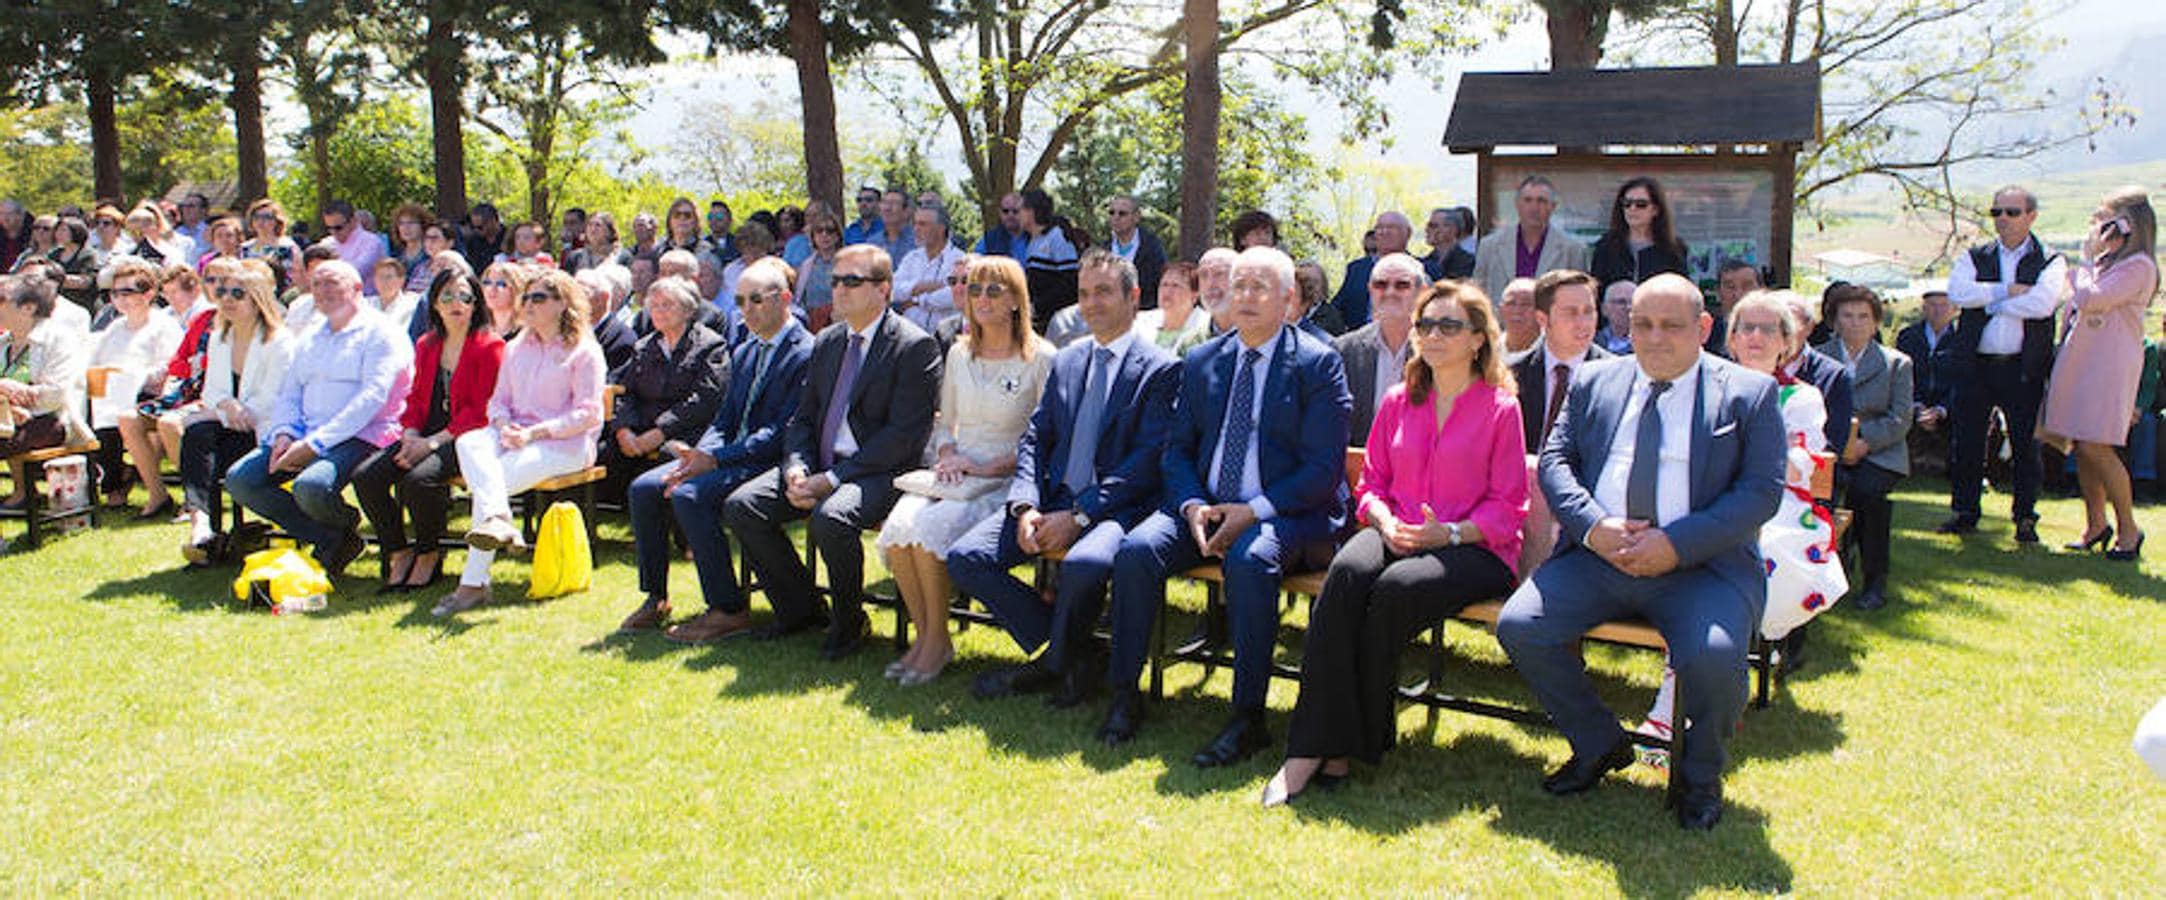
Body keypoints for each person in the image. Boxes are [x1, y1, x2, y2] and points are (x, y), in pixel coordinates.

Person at [1494, 273, 1786, 832]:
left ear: (1704, 327)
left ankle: (1699, 776)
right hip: (1598, 557)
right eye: (1642, 324)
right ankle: (1599, 743)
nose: (1653, 338)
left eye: (1671, 326)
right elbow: (1556, 463)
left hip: (1702, 569)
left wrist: (1675, 544)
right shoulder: (1597, 381)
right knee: (1521, 626)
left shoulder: (1748, 394)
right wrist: (1594, 526)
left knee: (1716, 657)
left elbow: (1759, 493)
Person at [1263, 279, 1528, 806]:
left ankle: (1354, 741)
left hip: (1473, 548)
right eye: (1425, 324)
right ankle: (1311, 749)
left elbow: (1508, 505)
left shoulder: (1500, 408)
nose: (1433, 334)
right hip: (1396, 527)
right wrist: (1384, 523)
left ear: (1478, 338)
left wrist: (1447, 533)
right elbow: (1372, 484)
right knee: (1346, 576)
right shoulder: (1399, 400)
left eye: (1449, 325)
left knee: (1393, 591)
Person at [1100, 246, 1351, 765]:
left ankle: (1247, 716)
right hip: (1203, 509)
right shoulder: (1202, 361)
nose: (1246, 297)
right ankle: (1125, 693)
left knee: (1250, 560)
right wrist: (1192, 505)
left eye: (1260, 287)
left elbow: (1322, 471)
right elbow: (1178, 450)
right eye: (1239, 286)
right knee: (1135, 550)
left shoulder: (1317, 364)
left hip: (1284, 512)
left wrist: (1253, 511)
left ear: (1287, 300)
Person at [948, 248, 1180, 704]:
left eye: (1104, 292)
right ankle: (1079, 653)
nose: (1091, 303)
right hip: (1050, 499)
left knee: (1084, 564)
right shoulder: (1069, 361)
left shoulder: (1161, 369)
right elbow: (1036, 437)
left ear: (1134, 297)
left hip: (1115, 509)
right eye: (1084, 293)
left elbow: (1146, 463)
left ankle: (1056, 663)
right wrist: (1026, 504)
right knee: (966, 557)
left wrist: (1079, 516)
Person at [1638, 289, 1849, 741]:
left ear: (1786, 342)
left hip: (1775, 513)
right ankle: (1712, 688)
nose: (1755, 337)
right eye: (1745, 328)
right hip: (1705, 503)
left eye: (1767, 329)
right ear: (1730, 339)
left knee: (1729, 561)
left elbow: (1793, 466)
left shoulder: (1800, 398)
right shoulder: (1700, 386)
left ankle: (1675, 706)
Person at [723, 245, 942, 659]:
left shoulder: (914, 346)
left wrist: (834, 479)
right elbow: (803, 419)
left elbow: (903, 437)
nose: (839, 289)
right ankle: (801, 609)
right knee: (742, 506)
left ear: (884, 289)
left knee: (831, 518)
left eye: (852, 281)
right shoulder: (827, 341)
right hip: (821, 464)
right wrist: (797, 466)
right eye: (836, 280)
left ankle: (849, 621)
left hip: (882, 471)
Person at [876, 256, 1054, 684]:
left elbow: (1047, 437)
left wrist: (992, 464)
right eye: (974, 290)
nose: (982, 299)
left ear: (1016, 299)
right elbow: (945, 423)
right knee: (900, 527)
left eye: (994, 290)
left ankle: (935, 644)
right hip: (956, 472)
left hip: (1005, 476)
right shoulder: (959, 353)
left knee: (930, 530)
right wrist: (949, 455)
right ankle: (929, 636)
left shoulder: (1041, 357)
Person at [619, 264, 815, 639]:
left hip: (768, 460)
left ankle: (727, 608)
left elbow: (782, 431)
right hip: (726, 454)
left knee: (691, 495)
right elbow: (724, 418)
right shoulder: (744, 349)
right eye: (740, 301)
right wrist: (698, 456)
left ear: (785, 299)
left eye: (756, 299)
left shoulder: (805, 352)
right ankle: (655, 597)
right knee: (645, 488)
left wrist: (714, 460)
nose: (746, 309)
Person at [434, 270, 606, 616]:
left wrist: (533, 434)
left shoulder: (584, 351)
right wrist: (503, 424)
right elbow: (498, 402)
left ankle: (473, 584)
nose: (527, 304)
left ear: (562, 304)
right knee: (469, 442)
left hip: (564, 444)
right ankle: (499, 519)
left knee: (494, 478)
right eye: (525, 297)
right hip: (513, 434)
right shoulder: (515, 347)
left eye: (538, 298)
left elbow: (588, 414)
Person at [225, 261, 414, 575]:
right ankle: (332, 537)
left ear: (357, 288)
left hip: (364, 434)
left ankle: (340, 526)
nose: (323, 291)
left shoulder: (382, 334)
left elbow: (371, 400)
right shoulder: (311, 335)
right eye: (316, 284)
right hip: (304, 431)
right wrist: (284, 434)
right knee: (241, 480)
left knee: (311, 487)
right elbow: (289, 393)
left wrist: (314, 445)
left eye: (332, 283)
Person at [350, 271, 505, 591]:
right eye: (447, 296)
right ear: (434, 303)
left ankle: (428, 553)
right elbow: (417, 398)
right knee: (367, 476)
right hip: (425, 434)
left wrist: (432, 444)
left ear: (476, 304)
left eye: (464, 296)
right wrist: (410, 435)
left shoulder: (490, 346)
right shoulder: (427, 343)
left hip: (467, 437)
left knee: (419, 480)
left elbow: (481, 411)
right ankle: (398, 550)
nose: (456, 304)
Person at [2040, 186, 2158, 561]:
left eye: (2105, 221)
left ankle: (2129, 529)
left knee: (2098, 445)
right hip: (2081, 361)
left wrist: (2087, 263)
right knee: (2082, 444)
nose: (2098, 229)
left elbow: (2092, 298)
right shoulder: (2107, 265)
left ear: (2126, 226)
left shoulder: (2139, 267)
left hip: (2108, 366)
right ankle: (2095, 524)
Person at [1942, 185, 2065, 543]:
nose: (2003, 220)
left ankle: (2025, 517)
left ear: (2031, 216)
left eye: (2012, 212)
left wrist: (1989, 299)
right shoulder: (1975, 255)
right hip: (1976, 364)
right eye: (1997, 212)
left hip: (2022, 366)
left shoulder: (2050, 259)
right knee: (1967, 441)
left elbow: (2042, 304)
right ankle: (1965, 511)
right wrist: (2007, 292)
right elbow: (1958, 294)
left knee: (2026, 444)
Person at [177, 260, 295, 564]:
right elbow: (213, 393)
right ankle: (202, 525)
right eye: (222, 291)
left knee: (202, 437)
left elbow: (271, 401)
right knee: (197, 434)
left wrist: (224, 411)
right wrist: (227, 406)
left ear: (257, 299)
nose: (226, 299)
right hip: (231, 426)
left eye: (237, 293)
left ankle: (209, 534)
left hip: (266, 434)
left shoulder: (280, 342)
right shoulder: (220, 338)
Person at [1816, 284, 1914, 608]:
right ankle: (1821, 573)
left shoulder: (1897, 364)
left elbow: (1900, 418)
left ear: (1875, 323)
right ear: (1834, 320)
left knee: (1867, 494)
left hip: (1879, 452)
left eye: (1863, 316)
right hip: (1827, 449)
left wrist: (1864, 443)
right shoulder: (1817, 359)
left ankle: (1874, 582)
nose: (1855, 323)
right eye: (1848, 315)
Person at [599, 276, 727, 503]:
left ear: (688, 310)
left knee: (670, 454)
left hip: (687, 429)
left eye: (667, 305)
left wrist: (659, 433)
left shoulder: (710, 346)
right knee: (605, 451)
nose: (658, 311)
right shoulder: (644, 346)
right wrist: (624, 430)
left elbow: (704, 400)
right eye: (654, 306)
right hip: (643, 426)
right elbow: (626, 392)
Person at [85, 259, 182, 515]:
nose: (120, 299)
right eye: (115, 293)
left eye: (127, 292)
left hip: (152, 393)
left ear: (148, 294)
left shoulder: (163, 326)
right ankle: (113, 482)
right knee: (94, 407)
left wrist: (133, 376)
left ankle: (141, 485)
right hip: (113, 390)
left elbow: (170, 368)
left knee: (121, 409)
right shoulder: (115, 328)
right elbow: (96, 361)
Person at [0, 271, 92, 506]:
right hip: (8, 421)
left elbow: (56, 394)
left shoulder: (59, 339)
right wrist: (9, 399)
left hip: (51, 421)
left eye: (1, 299)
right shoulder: (4, 342)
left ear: (28, 307)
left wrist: (16, 400)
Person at [1508, 270, 1612, 453]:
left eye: (1588, 311)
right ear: (1542, 319)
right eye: (1571, 313)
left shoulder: (1615, 377)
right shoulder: (1513, 374)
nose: (1583, 323)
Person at [1335, 252, 1423, 446]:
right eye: (1380, 285)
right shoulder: (1344, 350)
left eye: (1402, 285)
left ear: (1421, 291)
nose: (1390, 292)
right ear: (1370, 290)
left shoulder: (1437, 350)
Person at [1473, 175, 1590, 302]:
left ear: (1553, 206)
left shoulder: (1572, 250)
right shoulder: (1490, 246)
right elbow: (1478, 293)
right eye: (1528, 200)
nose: (1534, 208)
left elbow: (1579, 297)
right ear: (1517, 204)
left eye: (1541, 201)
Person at [1589, 177, 1690, 297]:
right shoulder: (1606, 246)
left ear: (1655, 210)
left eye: (1641, 204)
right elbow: (1596, 291)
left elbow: (1682, 292)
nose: (1632, 209)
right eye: (1627, 203)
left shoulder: (1673, 249)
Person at [1896, 289, 1958, 476]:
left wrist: (1941, 409)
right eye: (1932, 305)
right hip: (1914, 400)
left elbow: (1963, 379)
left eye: (1943, 305)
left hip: (1949, 403)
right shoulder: (1908, 336)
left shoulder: (1962, 339)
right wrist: (1917, 405)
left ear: (1954, 309)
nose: (1938, 310)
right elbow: (1902, 377)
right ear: (1924, 309)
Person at [890, 206, 967, 333]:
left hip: (944, 338)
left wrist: (916, 301)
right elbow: (893, 290)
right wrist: (918, 287)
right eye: (914, 224)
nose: (916, 229)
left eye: (923, 224)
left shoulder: (959, 259)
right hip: (909, 336)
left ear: (941, 228)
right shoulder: (911, 258)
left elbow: (952, 296)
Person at [1332, 211, 1413, 330]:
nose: (1384, 232)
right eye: (1379, 228)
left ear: (1408, 233)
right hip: (1361, 342)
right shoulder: (1356, 269)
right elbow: (1337, 308)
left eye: (1391, 227)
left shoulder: (1424, 269)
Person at [1019, 189, 1080, 332]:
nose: (1016, 215)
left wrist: (1039, 306)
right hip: (1039, 320)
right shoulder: (1031, 240)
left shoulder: (1057, 235)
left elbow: (1070, 281)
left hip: (1059, 323)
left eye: (1020, 209)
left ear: (1032, 211)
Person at [1102, 196, 1166, 309]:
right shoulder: (1102, 250)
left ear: (1136, 217)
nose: (1116, 217)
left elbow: (1160, 283)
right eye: (1112, 213)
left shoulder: (1152, 247)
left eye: (1122, 213)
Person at [575, 264, 639, 370]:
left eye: (582, 294)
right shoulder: (565, 329)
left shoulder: (622, 339)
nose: (574, 300)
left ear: (603, 298)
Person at [1137, 261, 1209, 352]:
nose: (1167, 291)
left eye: (1176, 286)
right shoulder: (1140, 321)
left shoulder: (1206, 326)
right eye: (1164, 285)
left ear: (1195, 295)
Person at [321, 201, 387, 296]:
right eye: (328, 228)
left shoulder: (371, 243)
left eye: (338, 228)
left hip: (366, 301)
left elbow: (353, 274)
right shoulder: (326, 243)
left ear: (353, 221)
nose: (333, 232)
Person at [1703, 260, 1764, 356]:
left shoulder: (1772, 331)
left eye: (1747, 286)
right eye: (1730, 287)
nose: (1738, 294)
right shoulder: (1707, 334)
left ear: (1761, 290)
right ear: (1718, 292)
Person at [797, 212, 843, 331]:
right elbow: (801, 298)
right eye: (819, 230)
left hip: (840, 321)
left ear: (838, 235)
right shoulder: (806, 265)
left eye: (830, 230)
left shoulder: (847, 262)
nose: (824, 235)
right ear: (813, 236)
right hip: (812, 323)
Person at [1421, 207, 1476, 281]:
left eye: (1433, 226)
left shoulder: (1467, 262)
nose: (1427, 230)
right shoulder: (1427, 261)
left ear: (1452, 229)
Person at [478, 261, 529, 340]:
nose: (492, 289)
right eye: (487, 283)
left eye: (501, 284)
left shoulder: (527, 333)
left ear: (516, 289)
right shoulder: (478, 331)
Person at [565, 211, 630, 274]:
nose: (593, 229)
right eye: (590, 225)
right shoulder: (575, 257)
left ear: (610, 232)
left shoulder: (622, 257)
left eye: (598, 225)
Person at [973, 192, 1027, 260]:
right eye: (1005, 211)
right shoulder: (990, 239)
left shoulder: (1034, 236)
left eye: (1015, 211)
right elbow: (975, 260)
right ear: (1000, 213)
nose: (1010, 215)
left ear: (1025, 212)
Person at [1497, 277, 1542, 354]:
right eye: (1510, 303)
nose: (1517, 310)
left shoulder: (1552, 353)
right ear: (1500, 309)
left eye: (1526, 304)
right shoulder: (1488, 352)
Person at [869, 190, 916, 263]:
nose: (887, 208)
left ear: (907, 211)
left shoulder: (919, 241)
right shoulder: (873, 243)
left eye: (894, 203)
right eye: (884, 202)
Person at [462, 203, 508, 273]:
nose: (476, 230)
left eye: (480, 227)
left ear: (493, 221)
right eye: (472, 227)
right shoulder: (472, 241)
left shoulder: (509, 237)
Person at [1595, 279, 1635, 354]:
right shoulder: (1589, 343)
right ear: (1604, 309)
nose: (1629, 307)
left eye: (1633, 302)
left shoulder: (1652, 344)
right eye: (1621, 302)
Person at [704, 200, 739, 266]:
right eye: (710, 216)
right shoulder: (702, 245)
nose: (714, 220)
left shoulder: (739, 244)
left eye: (719, 216)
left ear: (730, 220)